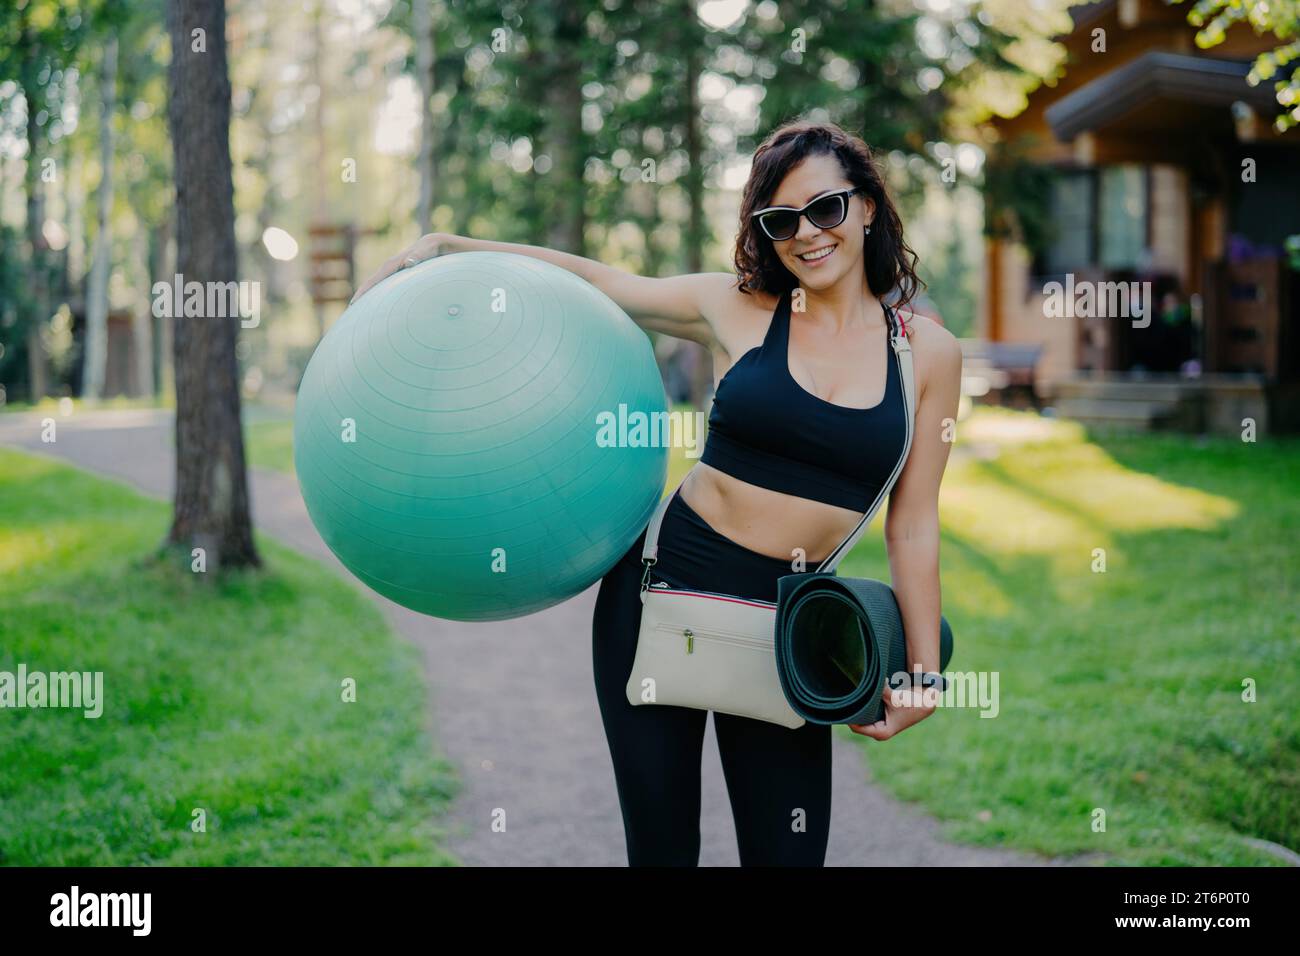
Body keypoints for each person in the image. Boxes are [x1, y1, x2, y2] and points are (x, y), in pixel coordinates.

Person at [353, 119, 963, 866]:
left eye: (826, 209)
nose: (807, 234)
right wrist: (458, 250)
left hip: (790, 631)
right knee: (662, 853)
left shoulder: (927, 354)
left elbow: (914, 526)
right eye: (780, 221)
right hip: (653, 599)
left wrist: (924, 674)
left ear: (868, 206)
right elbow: (600, 285)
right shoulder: (735, 308)